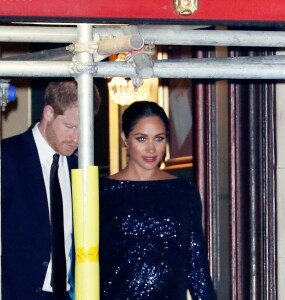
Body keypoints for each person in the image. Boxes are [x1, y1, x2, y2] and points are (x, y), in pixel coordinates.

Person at [100, 101, 216, 299]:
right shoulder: (103, 192)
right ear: (125, 139)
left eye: (159, 138)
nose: (151, 148)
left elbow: (196, 267)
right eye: (142, 138)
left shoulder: (183, 192)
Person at [1, 80, 101, 300]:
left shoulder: (80, 167)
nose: (77, 138)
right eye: (70, 127)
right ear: (48, 113)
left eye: (84, 129)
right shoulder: (7, 157)